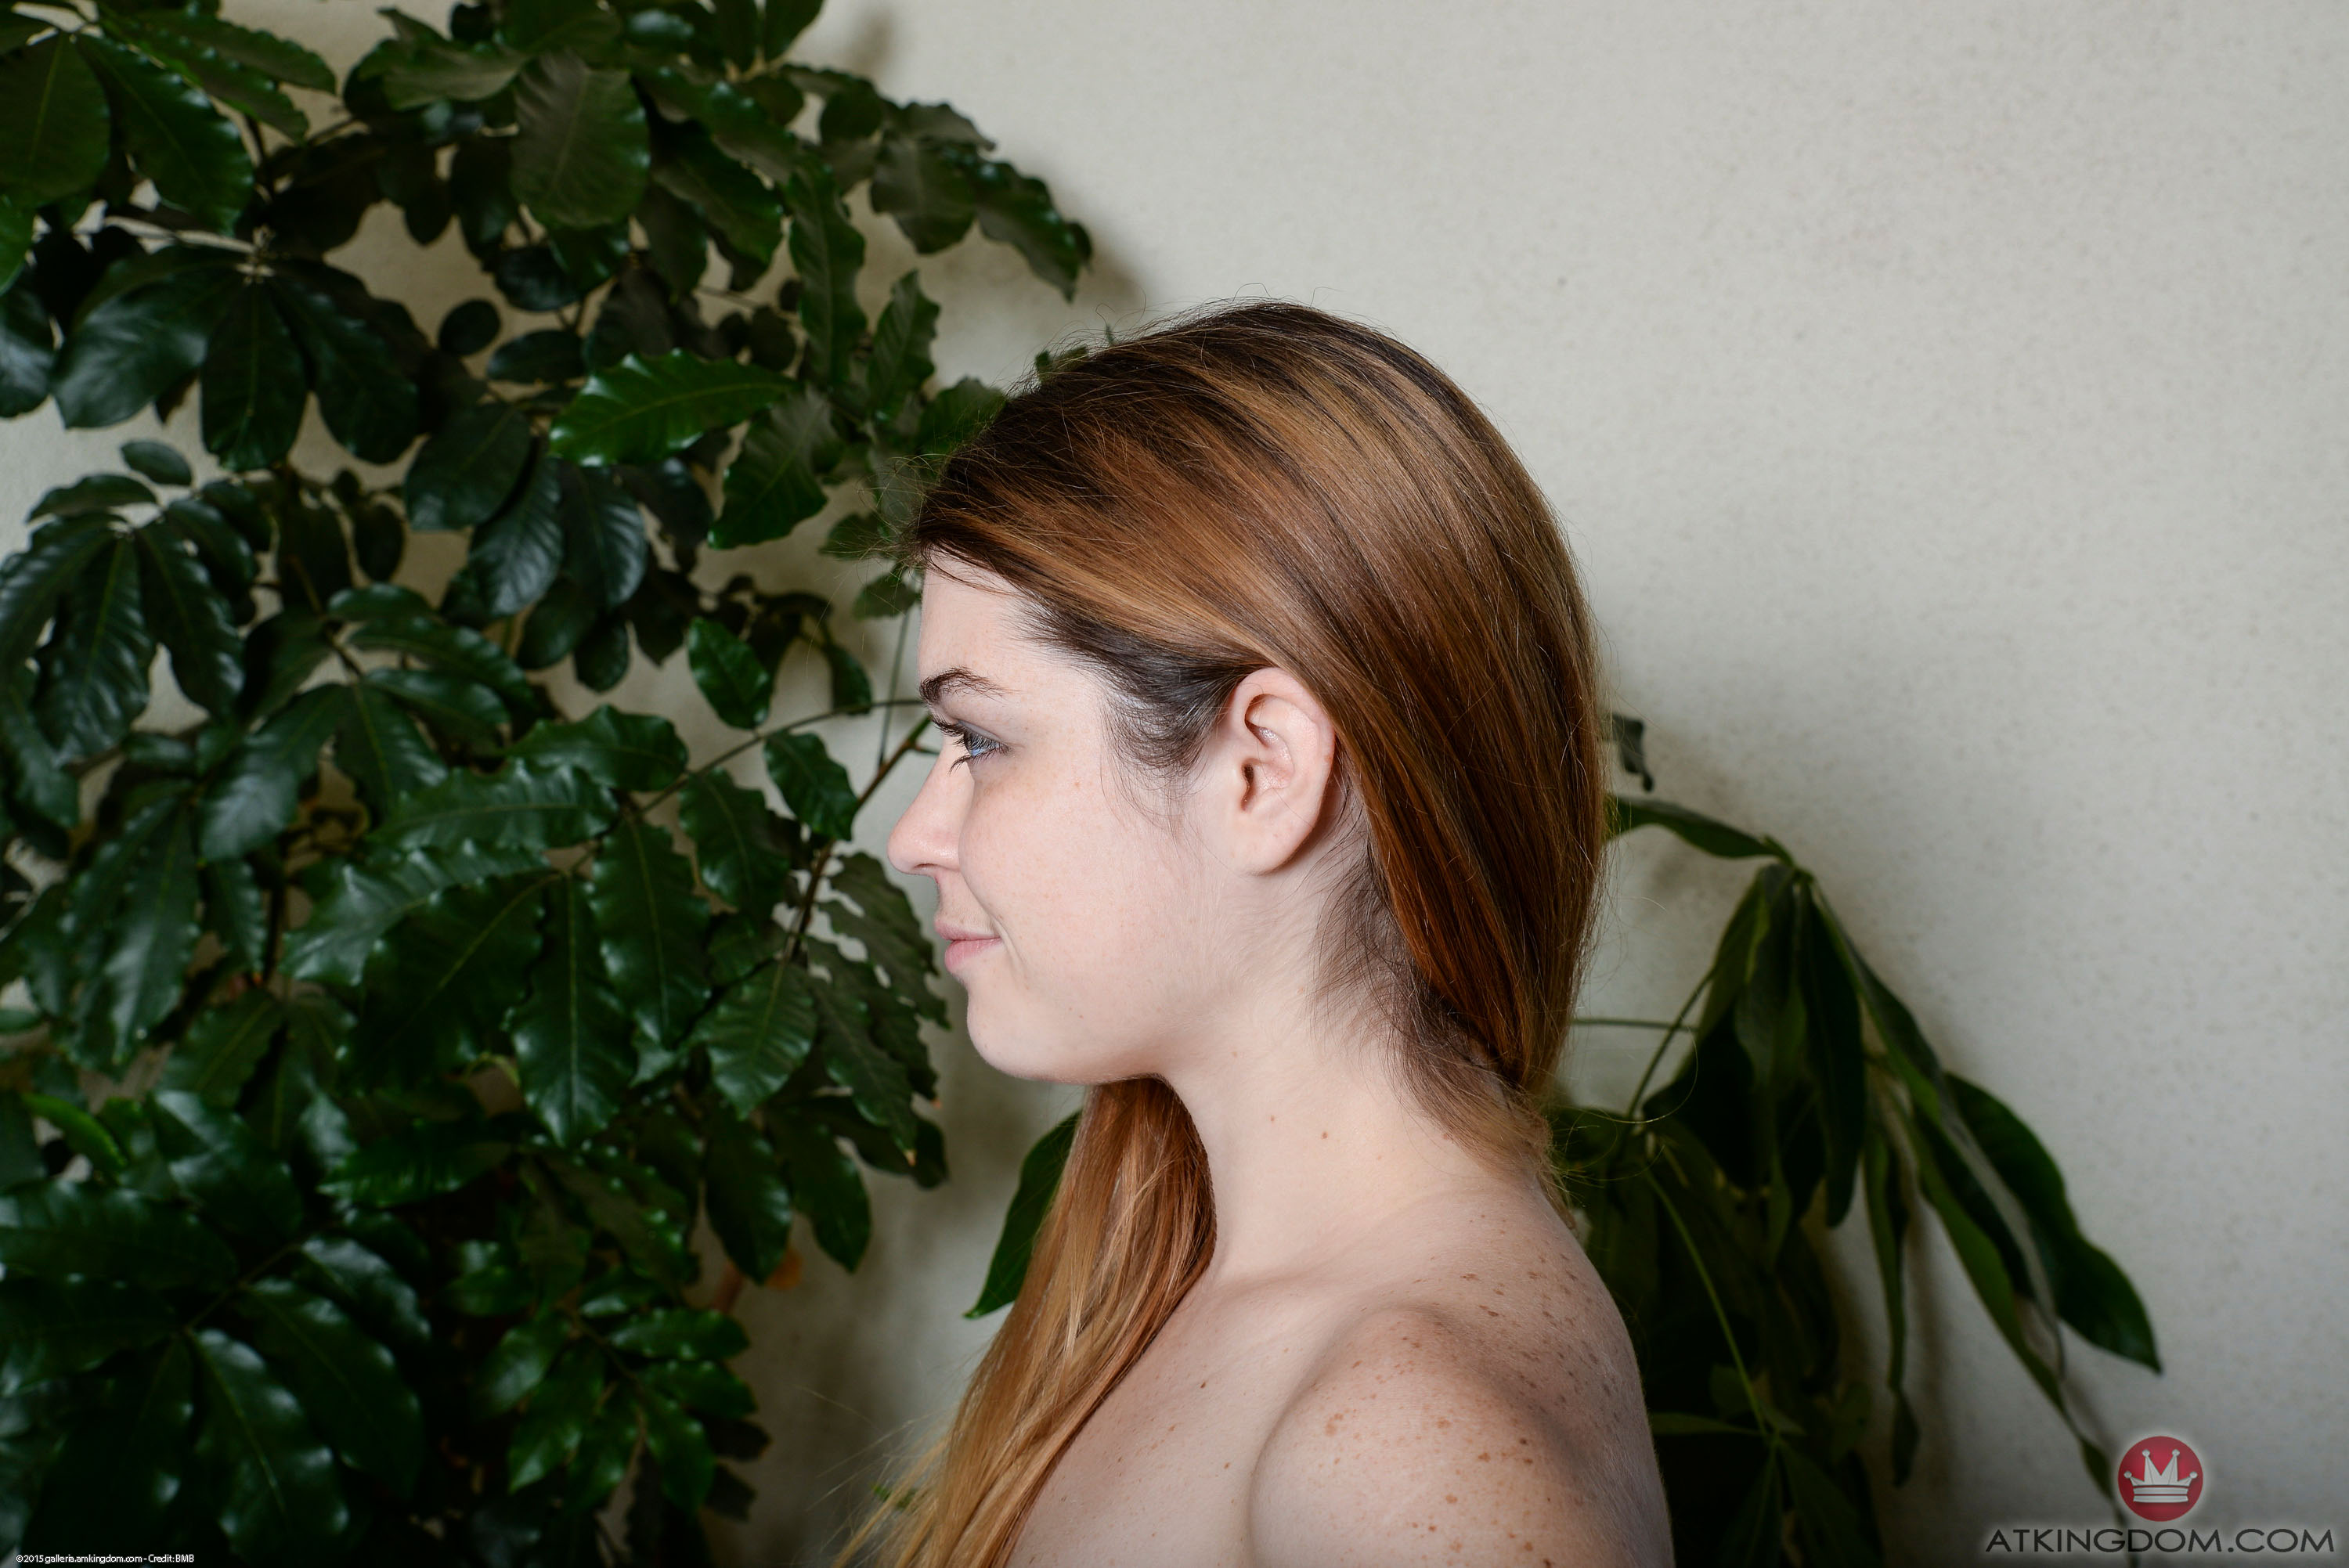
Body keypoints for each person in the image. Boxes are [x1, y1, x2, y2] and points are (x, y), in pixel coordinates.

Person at [869, 300, 1672, 1568]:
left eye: (980, 738)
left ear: (1263, 769)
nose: (914, 837)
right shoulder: (1207, 1288)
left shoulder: (1401, 1446)